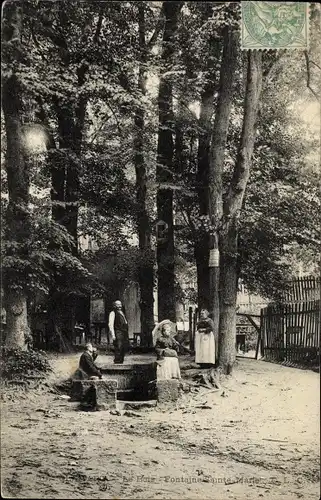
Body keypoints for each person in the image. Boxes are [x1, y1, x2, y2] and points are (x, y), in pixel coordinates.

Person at [108, 300, 129, 364]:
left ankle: (121, 361)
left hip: (124, 332)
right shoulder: (113, 313)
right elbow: (110, 324)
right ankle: (117, 362)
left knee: (123, 347)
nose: (119, 306)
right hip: (118, 332)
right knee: (118, 347)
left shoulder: (122, 313)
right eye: (117, 304)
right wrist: (113, 335)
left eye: (120, 304)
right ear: (114, 305)